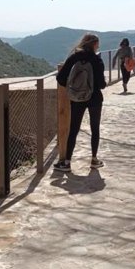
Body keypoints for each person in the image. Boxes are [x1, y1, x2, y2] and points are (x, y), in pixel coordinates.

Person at [54, 33, 107, 172]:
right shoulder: (97, 60)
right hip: (95, 98)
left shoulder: (74, 57)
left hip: (77, 99)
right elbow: (101, 84)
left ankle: (66, 162)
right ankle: (94, 159)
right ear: (94, 45)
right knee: (95, 129)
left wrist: (74, 87)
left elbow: (60, 78)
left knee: (74, 129)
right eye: (97, 44)